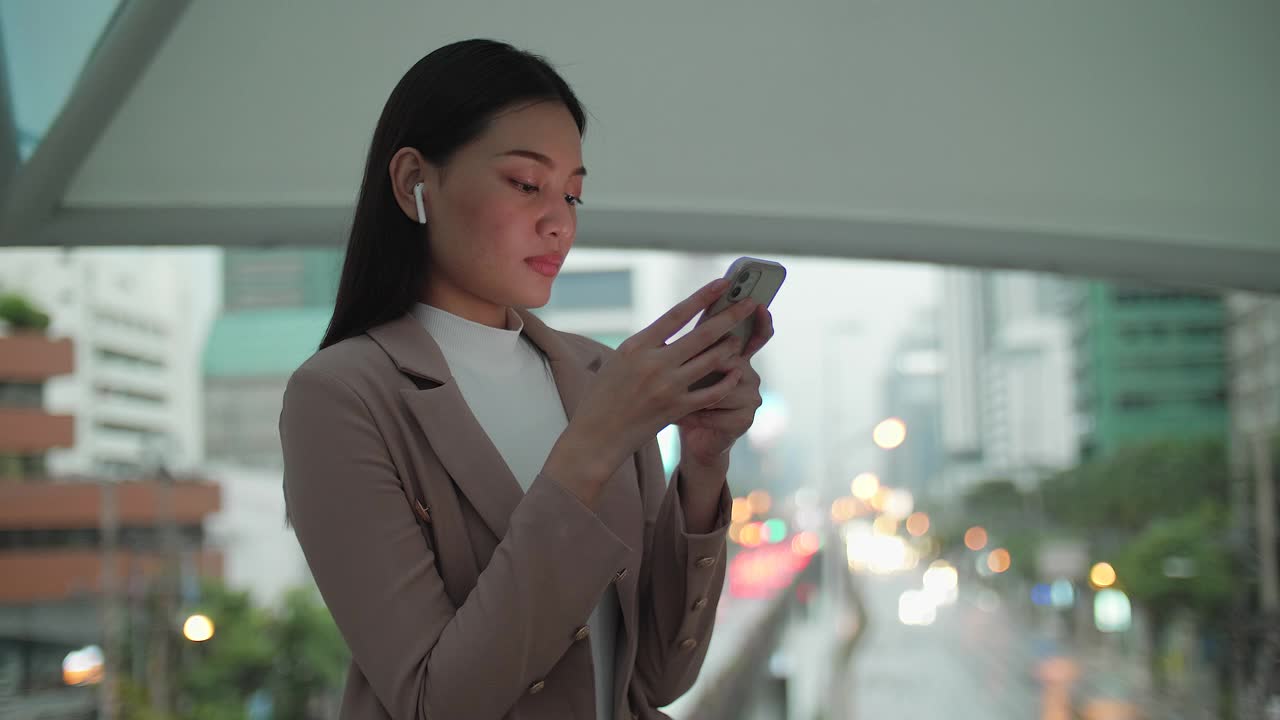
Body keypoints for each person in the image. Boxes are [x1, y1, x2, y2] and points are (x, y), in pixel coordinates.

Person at [279, 38, 775, 720]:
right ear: (412, 182)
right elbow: (434, 703)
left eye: (573, 194)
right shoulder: (341, 397)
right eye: (525, 184)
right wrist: (593, 444)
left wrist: (703, 462)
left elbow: (659, 679)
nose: (559, 223)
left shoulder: (600, 373)